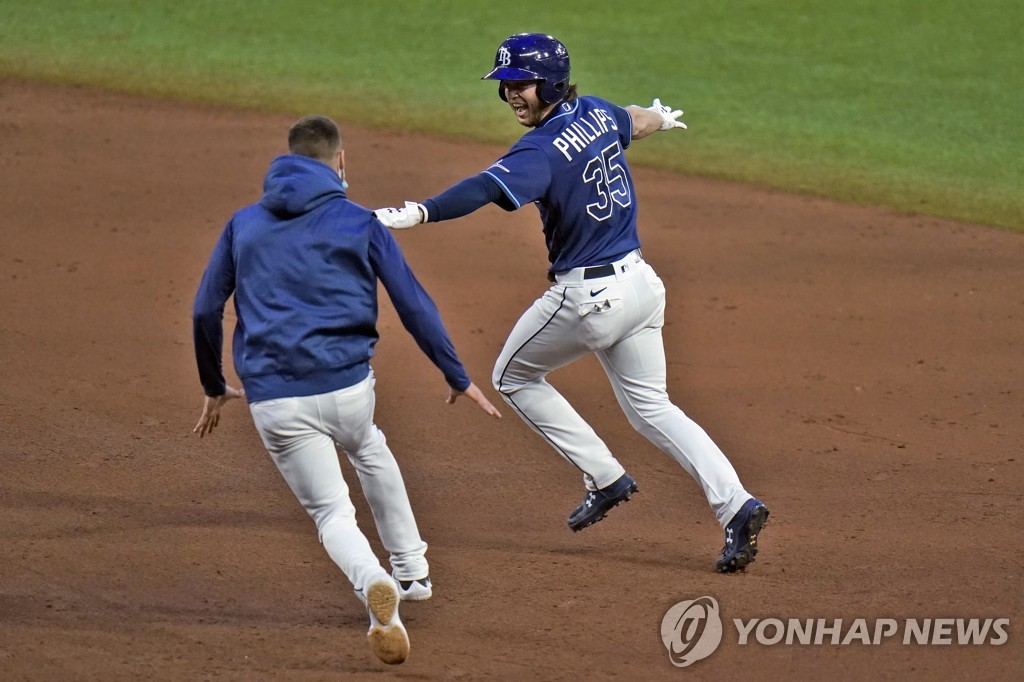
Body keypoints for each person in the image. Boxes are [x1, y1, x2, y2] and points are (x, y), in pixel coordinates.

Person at [373, 33, 769, 573]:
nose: (511, 95)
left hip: (590, 298)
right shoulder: (599, 113)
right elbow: (634, 121)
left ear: (553, 83)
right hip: (641, 287)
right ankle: (736, 505)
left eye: (521, 84)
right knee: (654, 408)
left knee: (511, 376)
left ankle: (605, 476)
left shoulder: (539, 150)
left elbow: (483, 188)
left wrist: (421, 212)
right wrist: (658, 117)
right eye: (505, 85)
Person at [191, 115, 501, 665]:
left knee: (332, 513)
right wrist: (455, 374)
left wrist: (215, 385)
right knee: (369, 447)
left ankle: (373, 582)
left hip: (275, 399)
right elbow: (413, 303)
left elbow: (204, 310)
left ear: (287, 160)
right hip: (348, 389)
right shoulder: (360, 221)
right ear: (340, 160)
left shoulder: (243, 224)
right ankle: (412, 570)